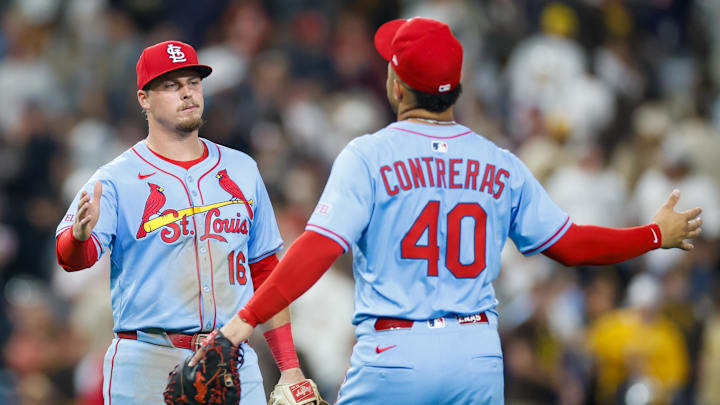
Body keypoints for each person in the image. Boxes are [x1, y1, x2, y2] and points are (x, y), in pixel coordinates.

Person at [193, 18, 703, 404]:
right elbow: (571, 246)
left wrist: (242, 323)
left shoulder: (369, 155)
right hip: (476, 354)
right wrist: (653, 234)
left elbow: (317, 250)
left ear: (396, 82)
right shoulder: (500, 162)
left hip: (395, 355)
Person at [55, 41, 308, 404]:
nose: (187, 93)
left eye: (193, 82)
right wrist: (79, 237)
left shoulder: (241, 168)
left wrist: (288, 366)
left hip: (232, 358)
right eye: (172, 85)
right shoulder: (114, 179)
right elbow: (72, 259)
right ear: (144, 98)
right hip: (146, 358)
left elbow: (265, 269)